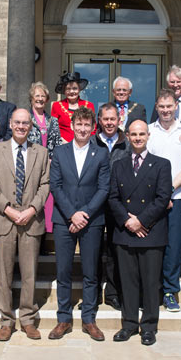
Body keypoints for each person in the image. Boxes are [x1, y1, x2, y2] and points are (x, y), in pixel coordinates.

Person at [0, 108, 50, 341]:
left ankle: (28, 319)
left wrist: (31, 210)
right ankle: (6, 321)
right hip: (3, 220)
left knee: (29, 273)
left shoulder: (41, 153)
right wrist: (10, 210)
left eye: (26, 123)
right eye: (17, 122)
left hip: (31, 222)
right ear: (10, 124)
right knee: (4, 275)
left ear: (31, 126)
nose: (21, 126)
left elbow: (45, 185)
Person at [48, 107, 110, 342]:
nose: (83, 129)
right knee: (63, 271)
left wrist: (84, 214)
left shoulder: (101, 154)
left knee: (90, 273)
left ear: (93, 127)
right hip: (64, 220)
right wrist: (72, 214)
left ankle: (89, 319)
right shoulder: (60, 152)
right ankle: (63, 318)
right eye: (79, 124)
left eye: (87, 125)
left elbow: (104, 188)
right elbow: (56, 186)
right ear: (72, 126)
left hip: (92, 221)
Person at [109, 119, 172, 346]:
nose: (137, 138)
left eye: (141, 134)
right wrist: (128, 221)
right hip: (125, 232)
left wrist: (142, 221)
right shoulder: (118, 165)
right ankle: (128, 325)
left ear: (148, 136)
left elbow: (163, 198)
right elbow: (113, 197)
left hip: (151, 232)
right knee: (127, 282)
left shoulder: (162, 164)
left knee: (150, 282)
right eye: (133, 134)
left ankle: (149, 327)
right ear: (127, 136)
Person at [147, 88, 181, 312]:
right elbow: (145, 166)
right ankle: (150, 290)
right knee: (151, 246)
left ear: (176, 106)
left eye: (169, 106)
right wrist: (159, 195)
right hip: (150, 199)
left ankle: (169, 291)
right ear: (156, 107)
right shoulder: (148, 131)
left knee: (173, 247)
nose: (165, 110)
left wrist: (167, 192)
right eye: (161, 106)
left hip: (177, 199)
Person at [90, 103, 130, 310]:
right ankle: (93, 293)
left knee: (116, 250)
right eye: (105, 119)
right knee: (93, 250)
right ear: (99, 120)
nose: (109, 123)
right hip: (95, 204)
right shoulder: (90, 142)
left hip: (118, 205)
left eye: (112, 119)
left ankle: (113, 293)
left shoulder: (128, 144)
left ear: (119, 120)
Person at [26, 81, 63, 237]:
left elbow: (57, 143)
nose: (40, 99)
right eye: (37, 96)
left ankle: (46, 234)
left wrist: (52, 159)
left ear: (47, 99)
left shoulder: (52, 120)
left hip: (48, 166)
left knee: (48, 198)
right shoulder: (25, 118)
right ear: (31, 98)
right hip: (30, 166)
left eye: (43, 96)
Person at [50, 71, 95, 142]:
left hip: (85, 144)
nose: (71, 91)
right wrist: (62, 141)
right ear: (64, 91)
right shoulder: (57, 106)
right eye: (68, 89)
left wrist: (87, 141)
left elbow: (93, 128)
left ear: (79, 89)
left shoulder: (89, 105)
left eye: (74, 88)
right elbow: (54, 128)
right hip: (63, 145)